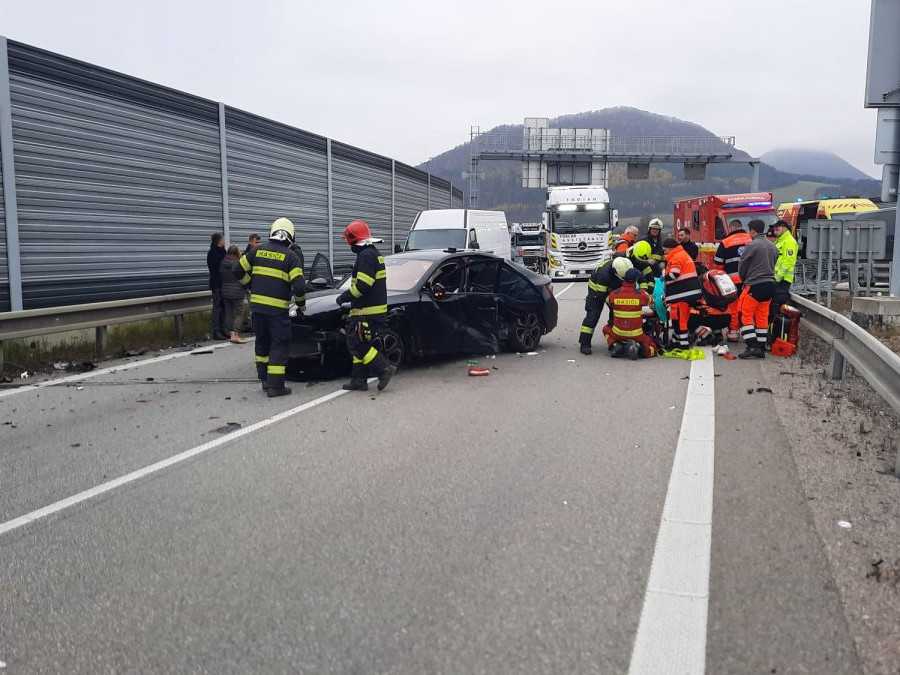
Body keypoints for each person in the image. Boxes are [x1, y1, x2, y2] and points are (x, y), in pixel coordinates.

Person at [236, 217, 306, 397]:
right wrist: (300, 304)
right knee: (279, 345)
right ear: (291, 236)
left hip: (258, 309)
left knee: (262, 342)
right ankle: (276, 386)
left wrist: (249, 284)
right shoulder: (291, 257)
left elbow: (237, 270)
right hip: (277, 312)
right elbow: (299, 287)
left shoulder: (256, 251)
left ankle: (265, 380)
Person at [335, 219, 397, 392]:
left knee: (358, 344)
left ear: (354, 239)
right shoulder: (372, 254)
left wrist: (344, 297)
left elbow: (363, 285)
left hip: (366, 312)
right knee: (358, 342)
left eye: (348, 240)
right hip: (370, 311)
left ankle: (384, 369)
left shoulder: (366, 256)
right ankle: (358, 380)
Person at [736, 219, 777, 359]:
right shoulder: (773, 246)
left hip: (754, 285)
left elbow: (742, 265)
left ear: (753, 230)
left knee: (743, 314)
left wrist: (743, 279)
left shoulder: (752, 245)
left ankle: (752, 346)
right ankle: (761, 346)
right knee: (762, 316)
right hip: (770, 285)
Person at [578, 256, 634, 355]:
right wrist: (614, 302)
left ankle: (614, 340)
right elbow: (602, 295)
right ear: (615, 271)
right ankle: (584, 343)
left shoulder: (624, 265)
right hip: (596, 292)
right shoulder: (603, 275)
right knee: (592, 316)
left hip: (614, 287)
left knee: (617, 315)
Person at [602, 268, 658, 359]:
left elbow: (608, 301)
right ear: (636, 281)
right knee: (653, 346)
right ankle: (639, 349)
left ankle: (615, 345)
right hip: (636, 334)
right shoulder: (641, 295)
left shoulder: (614, 294)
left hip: (618, 333)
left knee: (605, 329)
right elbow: (651, 302)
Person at [712, 219, 752, 340]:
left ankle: (733, 332)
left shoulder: (725, 242)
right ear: (741, 227)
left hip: (732, 281)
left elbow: (718, 264)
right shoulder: (751, 240)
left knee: (733, 307)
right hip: (750, 280)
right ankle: (750, 333)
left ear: (731, 228)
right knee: (748, 307)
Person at [662, 237, 702, 348]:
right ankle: (677, 340)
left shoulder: (676, 257)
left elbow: (674, 274)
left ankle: (683, 344)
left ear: (670, 249)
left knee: (680, 320)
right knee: (679, 318)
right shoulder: (682, 254)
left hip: (682, 293)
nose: (664, 253)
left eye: (665, 250)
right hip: (687, 292)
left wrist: (663, 278)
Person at [770, 219, 798, 320]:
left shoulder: (789, 241)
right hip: (776, 279)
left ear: (785, 228)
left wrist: (777, 278)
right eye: (774, 227)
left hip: (782, 280)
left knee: (776, 307)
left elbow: (788, 262)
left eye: (778, 227)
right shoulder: (780, 240)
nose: (775, 229)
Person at [220, 245, 247, 344]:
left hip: (225, 291)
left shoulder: (222, 263)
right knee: (239, 313)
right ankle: (235, 334)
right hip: (237, 291)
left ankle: (230, 334)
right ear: (236, 253)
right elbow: (242, 277)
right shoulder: (237, 264)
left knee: (229, 313)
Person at [206, 232, 227, 340]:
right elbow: (216, 269)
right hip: (216, 284)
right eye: (222, 239)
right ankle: (216, 331)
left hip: (224, 284)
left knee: (224, 308)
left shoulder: (223, 251)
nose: (224, 241)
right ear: (218, 241)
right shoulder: (213, 253)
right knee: (217, 308)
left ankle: (223, 329)